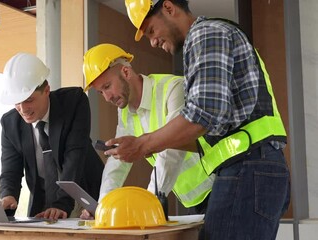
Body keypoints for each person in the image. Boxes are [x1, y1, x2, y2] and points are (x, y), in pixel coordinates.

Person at [104, 0, 290, 239]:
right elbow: (213, 127)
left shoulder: (206, 34)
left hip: (248, 165)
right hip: (253, 166)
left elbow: (203, 115)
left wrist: (142, 144)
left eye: (151, 30)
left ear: (169, 8)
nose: (152, 41)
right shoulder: (203, 42)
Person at [80, 43, 214, 219]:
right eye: (100, 92)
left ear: (126, 72)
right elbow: (118, 162)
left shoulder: (173, 88)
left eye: (107, 86)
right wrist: (103, 206)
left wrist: (147, 203)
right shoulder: (125, 111)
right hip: (192, 200)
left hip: (218, 185)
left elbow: (173, 151)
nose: (107, 97)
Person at [0, 52, 104, 220]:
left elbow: (74, 156)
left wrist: (62, 203)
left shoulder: (73, 102)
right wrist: (8, 195)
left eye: (29, 100)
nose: (23, 109)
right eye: (17, 102)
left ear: (46, 90)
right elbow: (11, 169)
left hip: (84, 196)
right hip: (44, 205)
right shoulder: (10, 123)